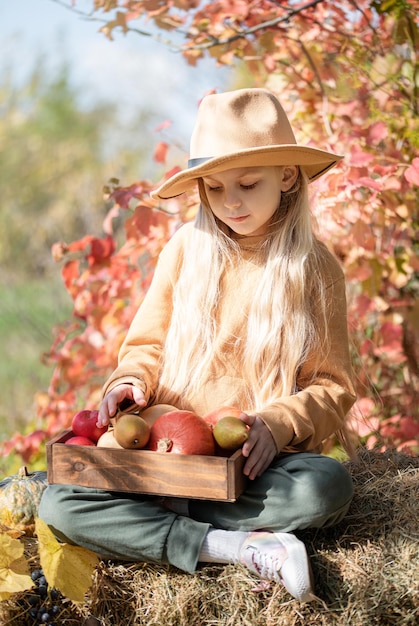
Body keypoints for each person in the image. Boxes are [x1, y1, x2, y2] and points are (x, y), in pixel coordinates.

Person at [39, 88, 357, 604]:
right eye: (213, 187)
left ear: (287, 176)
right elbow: (145, 345)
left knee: (324, 486)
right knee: (58, 504)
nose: (231, 201)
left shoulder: (314, 268)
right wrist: (129, 383)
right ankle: (231, 545)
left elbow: (332, 386)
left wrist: (277, 425)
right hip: (161, 459)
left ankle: (162, 523)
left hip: (250, 467)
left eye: (248, 184)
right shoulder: (186, 250)